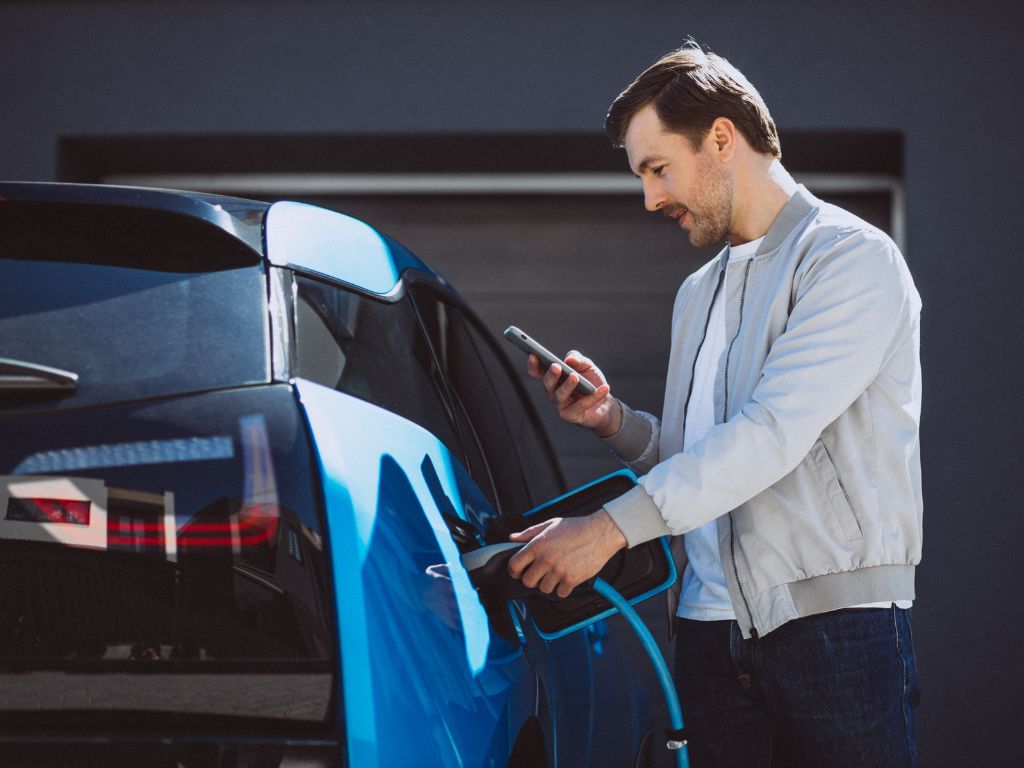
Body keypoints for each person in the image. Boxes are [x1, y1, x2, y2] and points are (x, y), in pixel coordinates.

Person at [506, 41, 922, 767]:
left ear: (721, 138)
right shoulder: (696, 293)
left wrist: (608, 531)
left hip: (831, 633)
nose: (650, 198)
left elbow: (769, 437)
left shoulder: (849, 260)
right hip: (704, 635)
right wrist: (616, 423)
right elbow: (707, 458)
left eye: (657, 168)